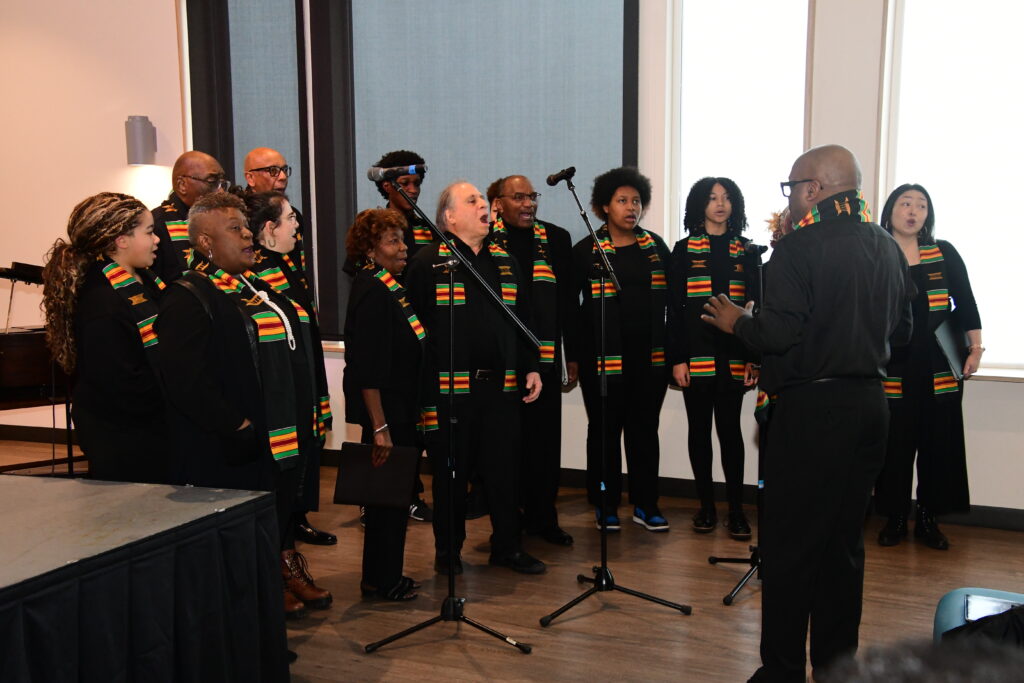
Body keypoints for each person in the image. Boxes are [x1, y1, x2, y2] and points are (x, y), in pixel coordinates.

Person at [701, 144, 913, 682]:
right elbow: (904, 332)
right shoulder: (888, 247)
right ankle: (837, 669)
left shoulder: (797, 249)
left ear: (814, 189)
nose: (790, 197)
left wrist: (737, 322)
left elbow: (778, 333)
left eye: (792, 187)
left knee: (790, 551)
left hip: (812, 413)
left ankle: (782, 672)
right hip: (870, 408)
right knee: (843, 548)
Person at [157, 192, 332, 620]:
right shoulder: (188, 296)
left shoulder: (254, 285)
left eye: (246, 225)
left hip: (278, 438)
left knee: (273, 523)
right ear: (205, 243)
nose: (248, 234)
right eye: (235, 228)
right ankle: (255, 618)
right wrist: (237, 424)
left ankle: (272, 592)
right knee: (241, 542)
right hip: (235, 447)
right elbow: (185, 381)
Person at [404, 181, 545, 575]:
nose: (484, 206)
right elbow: (412, 331)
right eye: (473, 201)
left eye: (484, 201)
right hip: (449, 394)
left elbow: (525, 320)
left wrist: (531, 366)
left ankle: (507, 547)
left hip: (501, 389)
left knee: (504, 474)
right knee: (452, 476)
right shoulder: (428, 262)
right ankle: (448, 553)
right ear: (449, 217)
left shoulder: (506, 261)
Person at [874, 184, 982, 550]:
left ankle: (927, 519)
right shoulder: (875, 252)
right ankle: (893, 518)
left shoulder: (944, 253)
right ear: (889, 211)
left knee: (938, 446)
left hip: (938, 364)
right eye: (906, 203)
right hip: (892, 365)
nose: (913, 211)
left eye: (921, 205)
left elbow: (966, 303)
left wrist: (976, 347)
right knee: (894, 447)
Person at [42, 192, 169, 484]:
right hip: (123, 431)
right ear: (121, 240)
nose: (157, 240)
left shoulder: (145, 278)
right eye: (149, 232)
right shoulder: (103, 302)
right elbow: (119, 381)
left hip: (145, 423)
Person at [570, 166, 672, 532]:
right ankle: (605, 504)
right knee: (604, 433)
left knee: (645, 432)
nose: (632, 208)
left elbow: (672, 305)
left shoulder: (656, 248)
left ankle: (646, 505)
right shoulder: (586, 252)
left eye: (637, 201)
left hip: (649, 361)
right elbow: (571, 311)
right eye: (622, 201)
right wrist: (574, 358)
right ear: (603, 206)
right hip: (601, 362)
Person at [240, 188, 336, 547]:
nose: (298, 225)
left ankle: (297, 520)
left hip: (306, 373)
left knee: (308, 454)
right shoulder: (259, 274)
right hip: (284, 388)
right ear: (269, 228)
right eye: (291, 219)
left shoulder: (287, 262)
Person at [486, 174, 576, 546]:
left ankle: (543, 517)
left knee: (544, 443)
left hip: (546, 360)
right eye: (518, 197)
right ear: (498, 204)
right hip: (502, 362)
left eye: (532, 196)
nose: (528, 204)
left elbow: (569, 303)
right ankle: (510, 521)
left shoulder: (556, 239)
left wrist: (574, 357)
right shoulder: (485, 243)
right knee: (507, 446)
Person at [668, 177, 759, 538]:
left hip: (735, 356)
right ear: (698, 205)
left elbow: (757, 311)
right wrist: (678, 358)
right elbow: (674, 310)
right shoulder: (683, 249)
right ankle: (705, 508)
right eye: (711, 198)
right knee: (699, 432)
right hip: (696, 355)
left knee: (731, 433)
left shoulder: (748, 251)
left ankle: (737, 511)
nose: (720, 204)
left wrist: (755, 358)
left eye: (726, 198)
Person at [342, 208, 425, 600]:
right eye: (393, 240)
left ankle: (386, 574)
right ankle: (380, 580)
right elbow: (367, 369)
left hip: (401, 407)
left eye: (402, 238)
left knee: (395, 498)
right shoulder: (373, 290)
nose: (403, 247)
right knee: (386, 502)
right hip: (387, 412)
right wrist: (380, 427)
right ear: (370, 249)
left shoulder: (390, 284)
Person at [150, 151, 230, 283]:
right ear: (182, 185)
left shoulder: (220, 218)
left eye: (222, 183)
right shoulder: (157, 224)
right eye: (212, 181)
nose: (220, 190)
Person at [243, 147, 311, 286]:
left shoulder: (293, 215)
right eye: (273, 171)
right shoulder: (240, 220)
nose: (283, 177)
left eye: (284, 170)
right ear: (250, 178)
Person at [371, 149, 433, 260]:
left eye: (417, 183)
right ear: (387, 186)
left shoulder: (427, 229)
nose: (413, 190)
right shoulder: (374, 227)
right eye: (405, 183)